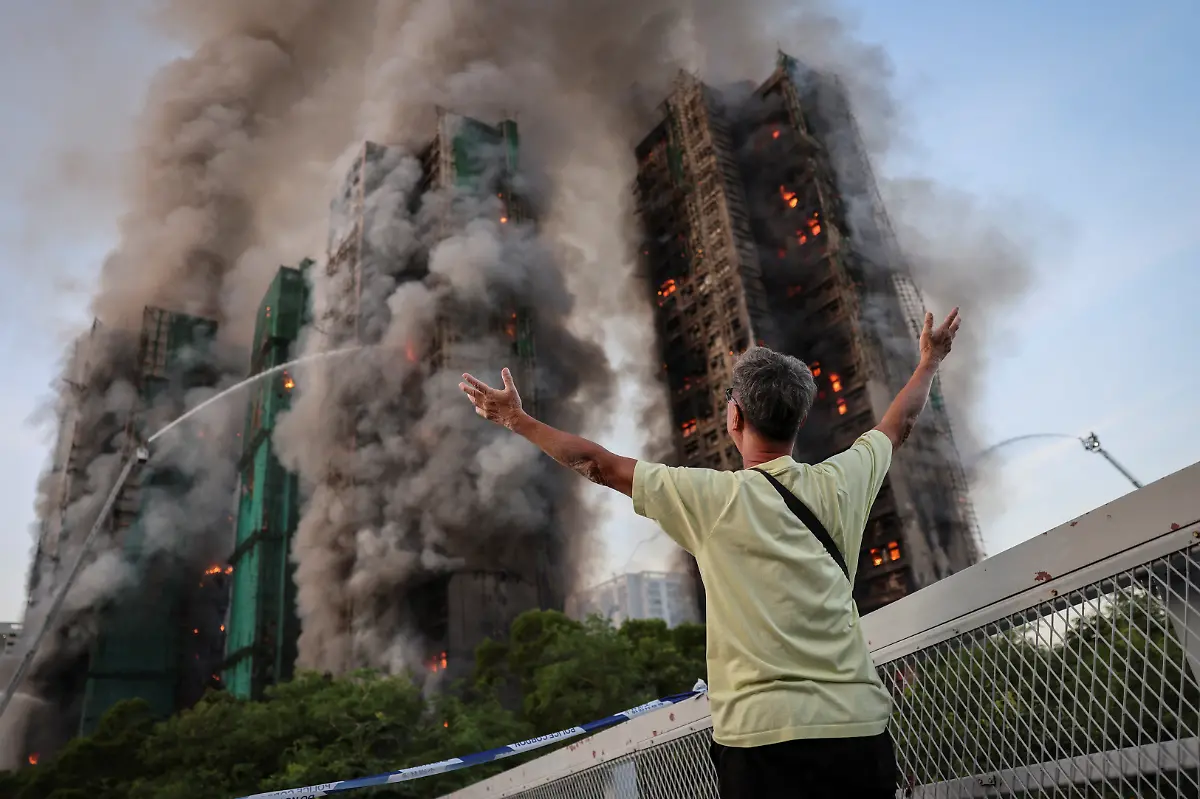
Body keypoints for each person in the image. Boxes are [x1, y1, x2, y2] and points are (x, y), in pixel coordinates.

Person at [459, 307, 962, 798]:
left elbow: (597, 464)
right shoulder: (843, 483)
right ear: (802, 417)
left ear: (734, 415)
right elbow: (899, 424)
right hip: (857, 731)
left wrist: (515, 419)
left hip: (759, 741)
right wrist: (928, 362)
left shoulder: (711, 499)